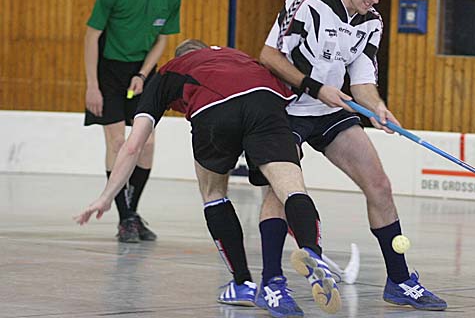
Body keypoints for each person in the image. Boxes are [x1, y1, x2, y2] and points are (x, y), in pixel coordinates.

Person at [75, 39, 341, 316]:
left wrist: (106, 197)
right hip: (266, 101)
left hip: (213, 109)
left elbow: (133, 146)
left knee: (213, 193)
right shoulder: (239, 56)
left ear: (181, 56)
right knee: (291, 188)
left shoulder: (170, 70)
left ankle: (242, 283)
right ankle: (307, 256)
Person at [258, 0, 448, 311]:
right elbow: (269, 56)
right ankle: (271, 284)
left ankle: (399, 280)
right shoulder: (307, 2)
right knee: (281, 192)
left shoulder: (371, 22)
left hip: (331, 110)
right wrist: (315, 88)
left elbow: (362, 83)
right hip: (285, 108)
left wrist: (378, 108)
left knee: (380, 185)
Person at [83, 0, 182, 243]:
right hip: (109, 70)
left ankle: (132, 214)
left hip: (143, 70)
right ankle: (125, 218)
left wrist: (142, 74)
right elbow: (91, 36)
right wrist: (92, 86)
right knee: (116, 143)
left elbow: (162, 40)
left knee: (146, 144)